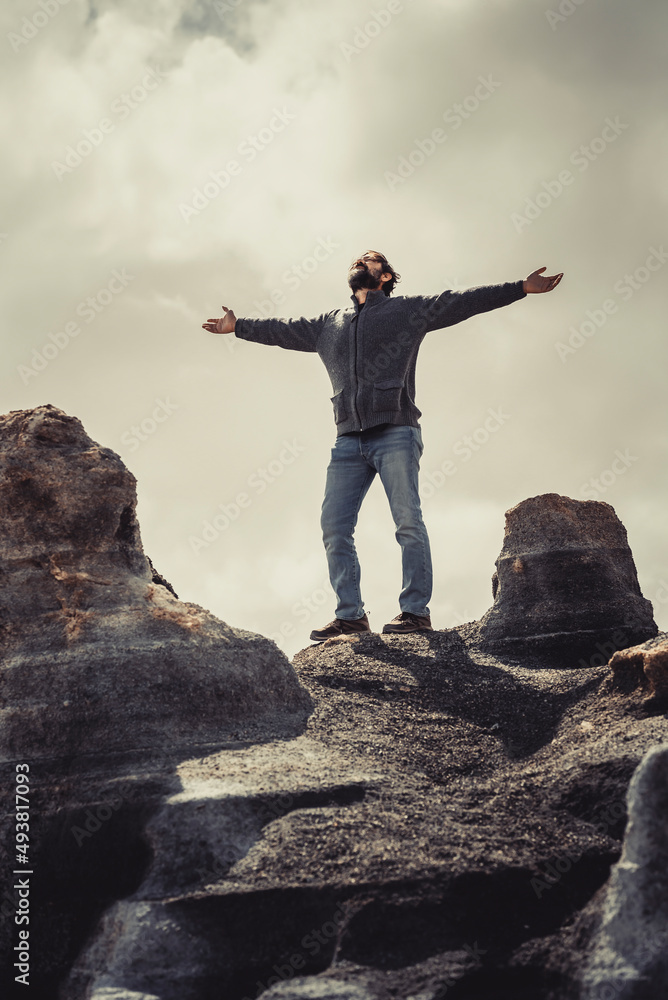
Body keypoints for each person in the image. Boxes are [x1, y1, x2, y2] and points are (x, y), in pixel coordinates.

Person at [203, 252, 563, 641]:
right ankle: (351, 616)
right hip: (347, 442)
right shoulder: (328, 324)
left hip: (395, 432)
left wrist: (521, 288)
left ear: (385, 275)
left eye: (371, 259)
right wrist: (238, 326)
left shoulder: (407, 311)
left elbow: (461, 301)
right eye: (358, 258)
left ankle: (414, 613)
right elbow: (281, 328)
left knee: (407, 522)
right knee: (334, 527)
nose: (361, 260)